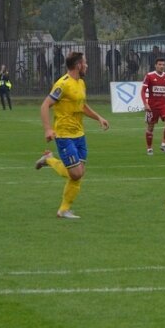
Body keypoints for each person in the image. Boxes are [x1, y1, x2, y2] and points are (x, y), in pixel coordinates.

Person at [35, 51, 109, 219]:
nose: (87, 66)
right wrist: (48, 129)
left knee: (79, 174)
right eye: (85, 63)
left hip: (79, 134)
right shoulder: (63, 84)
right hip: (64, 135)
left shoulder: (81, 83)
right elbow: (45, 105)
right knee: (75, 173)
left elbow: (82, 106)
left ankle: (63, 210)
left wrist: (99, 117)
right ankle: (48, 159)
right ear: (78, 65)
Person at [140, 57, 165, 155]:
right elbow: (143, 91)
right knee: (150, 127)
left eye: (163, 65)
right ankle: (149, 148)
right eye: (160, 65)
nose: (162, 66)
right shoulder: (149, 76)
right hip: (152, 107)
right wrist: (145, 103)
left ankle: (164, 145)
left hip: (163, 106)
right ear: (155, 65)